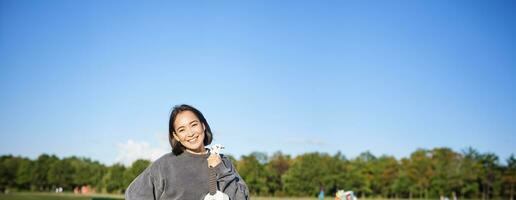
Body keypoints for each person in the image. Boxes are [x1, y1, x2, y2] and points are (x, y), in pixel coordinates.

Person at [125, 104, 249, 200]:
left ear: (203, 125)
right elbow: (134, 195)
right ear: (176, 136)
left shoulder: (223, 162)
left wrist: (220, 169)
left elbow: (242, 197)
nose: (190, 133)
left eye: (194, 125)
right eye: (182, 129)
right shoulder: (165, 164)